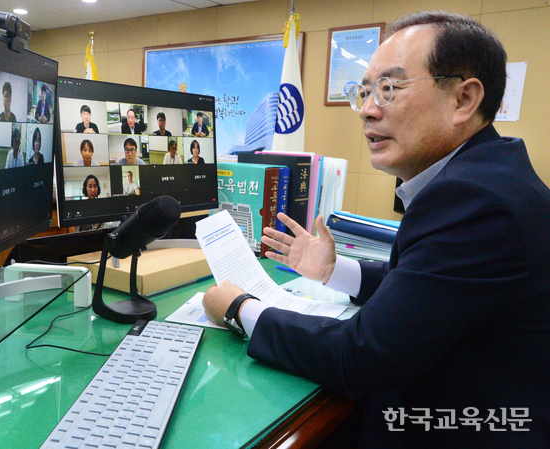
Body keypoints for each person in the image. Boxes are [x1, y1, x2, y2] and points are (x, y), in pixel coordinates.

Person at [202, 11, 550, 448]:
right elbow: (426, 286)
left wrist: (240, 308)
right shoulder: (487, 174)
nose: (367, 110)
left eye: (388, 88)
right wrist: (333, 271)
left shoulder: (476, 201)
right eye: (364, 91)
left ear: (463, 99)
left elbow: (361, 356)